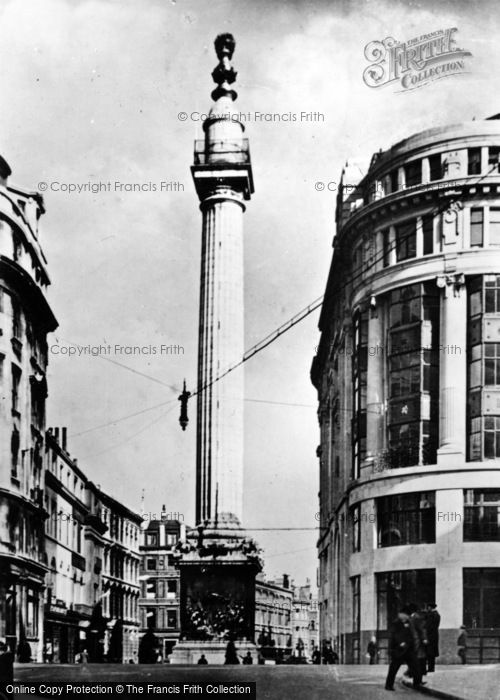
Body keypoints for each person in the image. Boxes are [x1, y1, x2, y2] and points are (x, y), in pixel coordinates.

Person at [385, 607, 420, 691]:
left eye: (407, 615)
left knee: (416, 667)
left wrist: (413, 645)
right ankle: (389, 685)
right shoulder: (396, 623)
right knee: (393, 669)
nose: (407, 617)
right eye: (405, 615)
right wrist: (400, 642)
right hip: (399, 650)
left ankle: (417, 684)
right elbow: (393, 635)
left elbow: (412, 633)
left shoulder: (409, 622)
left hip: (409, 650)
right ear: (401, 614)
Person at [425, 603, 440, 672]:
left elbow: (428, 626)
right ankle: (431, 667)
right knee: (432, 653)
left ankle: (430, 668)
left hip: (430, 635)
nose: (427, 608)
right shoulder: (437, 614)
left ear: (430, 607)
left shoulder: (431, 615)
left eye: (428, 607)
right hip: (435, 635)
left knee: (429, 652)